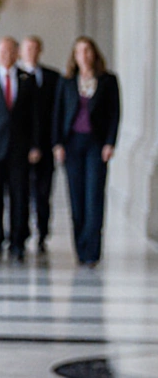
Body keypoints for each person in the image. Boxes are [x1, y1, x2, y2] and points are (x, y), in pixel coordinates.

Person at [53, 36, 120, 267]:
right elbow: (58, 114)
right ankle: (80, 249)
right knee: (76, 197)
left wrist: (110, 143)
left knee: (94, 197)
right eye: (79, 51)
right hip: (72, 144)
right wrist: (57, 144)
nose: (84, 55)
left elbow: (114, 113)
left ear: (94, 53)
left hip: (96, 145)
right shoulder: (67, 82)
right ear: (74, 56)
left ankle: (93, 251)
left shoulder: (108, 80)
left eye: (88, 50)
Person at [0, 37, 41, 263]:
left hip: (20, 149)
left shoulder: (28, 79)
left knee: (20, 198)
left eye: (10, 51)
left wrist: (35, 145)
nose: (6, 55)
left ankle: (17, 243)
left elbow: (35, 116)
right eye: (2, 52)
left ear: (16, 54)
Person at [18, 35, 61, 254]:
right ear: (21, 52)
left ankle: (43, 233)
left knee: (44, 193)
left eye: (35, 48)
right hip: (20, 148)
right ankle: (21, 233)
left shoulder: (54, 77)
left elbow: (58, 113)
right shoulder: (15, 77)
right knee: (21, 193)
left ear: (40, 50)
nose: (31, 52)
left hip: (45, 144)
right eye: (27, 48)